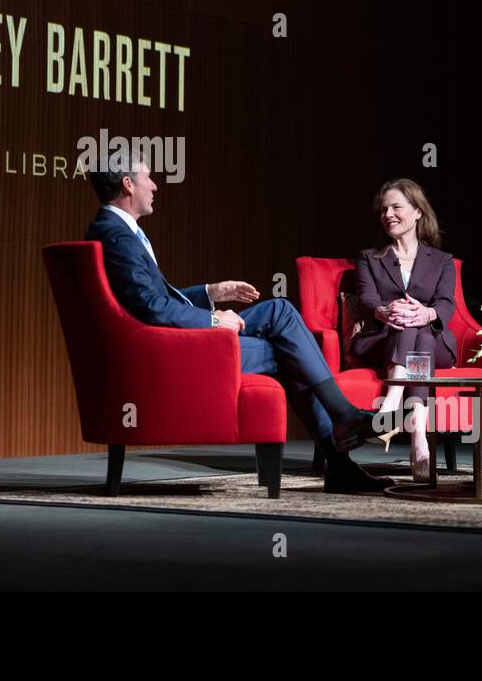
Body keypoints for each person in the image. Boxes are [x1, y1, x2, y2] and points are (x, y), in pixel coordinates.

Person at [83, 157, 392, 493]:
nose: (155, 185)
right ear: (128, 184)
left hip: (173, 341)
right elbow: (152, 308)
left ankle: (342, 439)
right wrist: (213, 319)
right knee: (288, 344)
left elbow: (154, 300)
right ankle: (342, 432)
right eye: (148, 177)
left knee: (280, 312)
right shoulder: (116, 235)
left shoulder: (115, 230)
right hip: (175, 353)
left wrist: (212, 293)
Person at [350, 178, 457, 482]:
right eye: (383, 209)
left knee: (418, 326)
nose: (388, 214)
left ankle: (391, 406)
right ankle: (419, 442)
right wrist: (384, 310)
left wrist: (426, 313)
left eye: (396, 206)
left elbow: (447, 304)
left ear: (418, 211)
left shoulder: (441, 260)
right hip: (383, 338)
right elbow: (368, 297)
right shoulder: (369, 258)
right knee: (408, 324)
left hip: (434, 342)